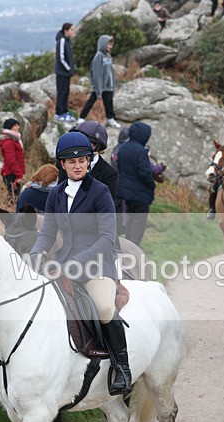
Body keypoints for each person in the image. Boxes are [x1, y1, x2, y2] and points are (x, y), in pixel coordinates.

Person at [29, 132, 131, 396]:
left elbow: (108, 237)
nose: (78, 165)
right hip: (63, 264)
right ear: (62, 164)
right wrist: (36, 252)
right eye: (71, 161)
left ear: (89, 162)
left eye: (83, 160)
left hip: (97, 264)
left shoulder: (100, 192)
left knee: (105, 307)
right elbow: (47, 233)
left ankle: (122, 367)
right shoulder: (55, 196)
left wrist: (78, 261)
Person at [117, 121, 162, 245]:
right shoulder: (141, 151)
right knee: (138, 227)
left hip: (125, 194)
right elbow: (144, 173)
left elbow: (120, 169)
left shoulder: (122, 148)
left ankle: (125, 252)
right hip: (140, 196)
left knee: (129, 225)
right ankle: (132, 257)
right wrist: (151, 185)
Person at [78, 35, 119, 128]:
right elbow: (97, 74)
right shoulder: (98, 56)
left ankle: (110, 118)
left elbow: (110, 71)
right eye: (109, 44)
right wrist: (99, 90)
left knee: (109, 102)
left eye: (111, 44)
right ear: (103, 44)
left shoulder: (108, 55)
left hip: (108, 85)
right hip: (100, 86)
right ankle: (81, 117)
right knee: (92, 100)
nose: (110, 46)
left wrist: (113, 84)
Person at [0, 117, 25, 202]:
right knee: (13, 198)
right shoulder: (9, 142)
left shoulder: (14, 140)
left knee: (14, 196)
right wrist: (19, 175)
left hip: (14, 172)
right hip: (11, 173)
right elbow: (11, 161)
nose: (18, 127)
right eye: (16, 125)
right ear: (10, 127)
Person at [53, 23, 76, 123]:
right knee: (61, 92)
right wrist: (68, 68)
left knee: (66, 92)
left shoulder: (68, 41)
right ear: (66, 30)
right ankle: (59, 113)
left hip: (66, 73)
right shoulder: (62, 41)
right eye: (71, 30)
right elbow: (61, 58)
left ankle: (65, 112)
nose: (73, 32)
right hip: (62, 72)